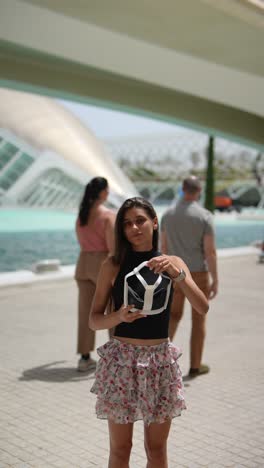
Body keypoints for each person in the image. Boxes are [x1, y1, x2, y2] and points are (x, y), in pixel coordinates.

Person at [89, 197, 209, 468]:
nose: (134, 228)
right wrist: (118, 316)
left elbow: (202, 307)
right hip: (121, 362)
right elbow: (94, 321)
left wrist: (177, 275)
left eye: (140, 220)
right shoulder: (112, 264)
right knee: (121, 449)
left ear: (154, 222)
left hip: (159, 362)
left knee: (156, 450)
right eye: (127, 223)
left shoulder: (173, 262)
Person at [161, 175, 218, 379]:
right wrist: (215, 279)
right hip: (198, 274)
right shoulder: (204, 216)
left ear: (182, 189)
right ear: (199, 191)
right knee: (198, 319)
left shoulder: (167, 215)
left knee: (172, 317)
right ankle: (195, 366)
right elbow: (210, 252)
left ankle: (160, 361)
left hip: (174, 272)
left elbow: (163, 248)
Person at [75, 177, 116, 372]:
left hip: (82, 263)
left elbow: (81, 242)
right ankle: (116, 356)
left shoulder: (81, 216)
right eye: (107, 190)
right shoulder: (108, 216)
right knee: (112, 310)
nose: (108, 193)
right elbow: (113, 249)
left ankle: (84, 358)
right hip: (101, 265)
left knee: (85, 313)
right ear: (101, 193)